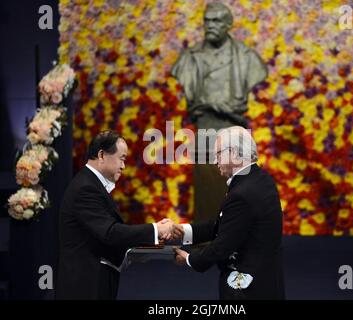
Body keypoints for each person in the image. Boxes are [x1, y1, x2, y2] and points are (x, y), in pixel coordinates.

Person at [56, 131, 182, 300]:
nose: (124, 166)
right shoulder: (86, 188)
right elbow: (110, 233)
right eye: (121, 158)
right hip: (85, 286)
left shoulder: (90, 184)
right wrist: (156, 229)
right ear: (101, 155)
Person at [171, 2, 268, 222]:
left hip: (234, 134)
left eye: (216, 21)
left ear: (228, 25)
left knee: (237, 198)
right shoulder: (188, 59)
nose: (210, 25)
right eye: (207, 20)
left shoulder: (247, 58)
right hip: (205, 134)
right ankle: (207, 245)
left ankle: (231, 242)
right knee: (207, 198)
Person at [174, 127, 285, 300]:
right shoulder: (261, 178)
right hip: (267, 282)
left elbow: (222, 247)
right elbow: (228, 224)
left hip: (247, 291)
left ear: (234, 153)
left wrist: (190, 259)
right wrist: (183, 231)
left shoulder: (242, 193)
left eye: (218, 153)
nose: (214, 160)